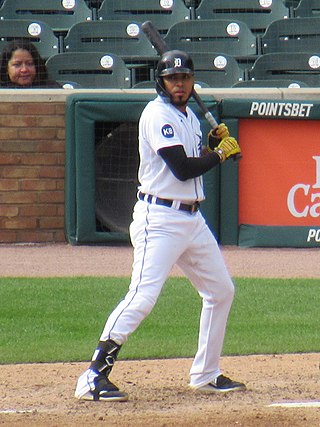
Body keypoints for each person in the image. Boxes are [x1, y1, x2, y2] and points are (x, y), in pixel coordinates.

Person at [75, 49, 246, 402]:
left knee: (220, 291)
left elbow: (191, 157)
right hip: (160, 219)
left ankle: (206, 373)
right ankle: (92, 376)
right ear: (161, 81)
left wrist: (211, 143)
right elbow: (182, 169)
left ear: (192, 80)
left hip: (192, 220)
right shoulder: (157, 115)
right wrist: (220, 154)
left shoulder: (189, 117)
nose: (179, 85)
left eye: (184, 78)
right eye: (173, 79)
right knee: (142, 297)